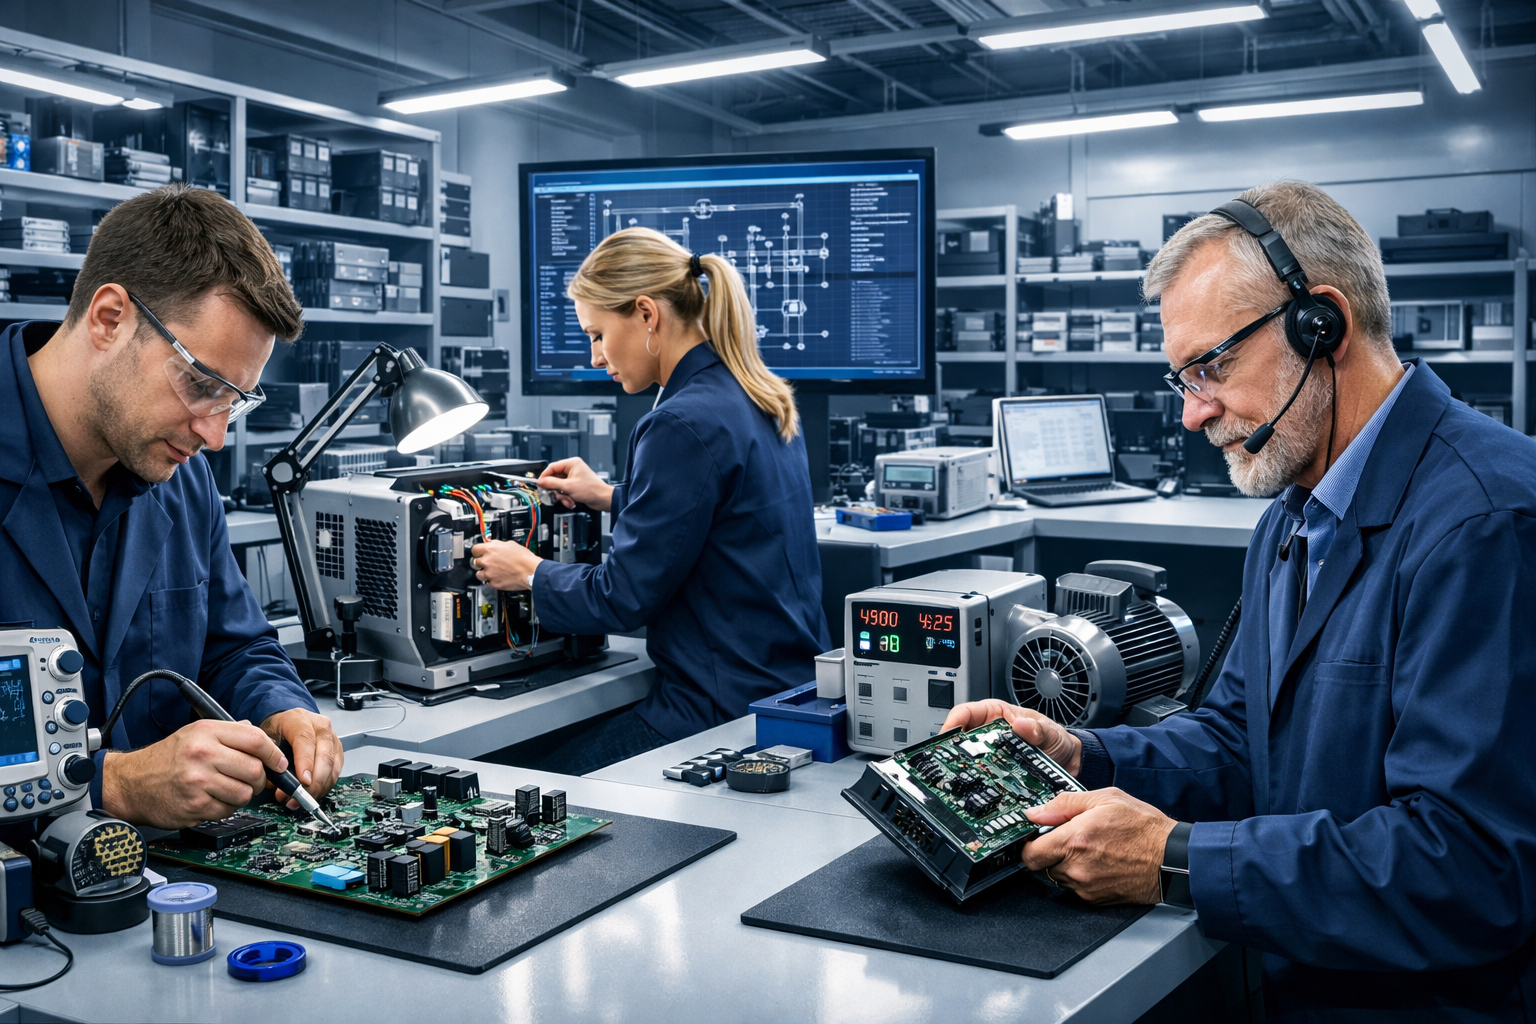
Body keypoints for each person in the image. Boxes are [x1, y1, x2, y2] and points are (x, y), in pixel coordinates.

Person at [945, 181, 1536, 1021]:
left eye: (1211, 367)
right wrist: (1083, 756)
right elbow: (1239, 738)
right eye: (1181, 376)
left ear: (1320, 324)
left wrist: (1175, 858)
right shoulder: (1295, 515)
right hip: (1308, 982)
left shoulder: (1485, 523)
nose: (1193, 414)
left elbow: (1474, 866)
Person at [0, 184, 342, 830]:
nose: (214, 434)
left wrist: (284, 710)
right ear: (109, 318)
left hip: (159, 893)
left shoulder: (181, 479)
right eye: (201, 384)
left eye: (234, 401)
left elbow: (234, 648)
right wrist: (113, 784)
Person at [471, 227, 830, 773]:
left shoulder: (678, 423)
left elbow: (621, 598)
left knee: (531, 784)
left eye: (596, 334)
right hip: (789, 691)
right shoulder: (759, 395)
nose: (595, 357)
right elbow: (725, 517)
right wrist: (613, 496)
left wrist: (529, 572)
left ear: (646, 314)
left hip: (717, 712)